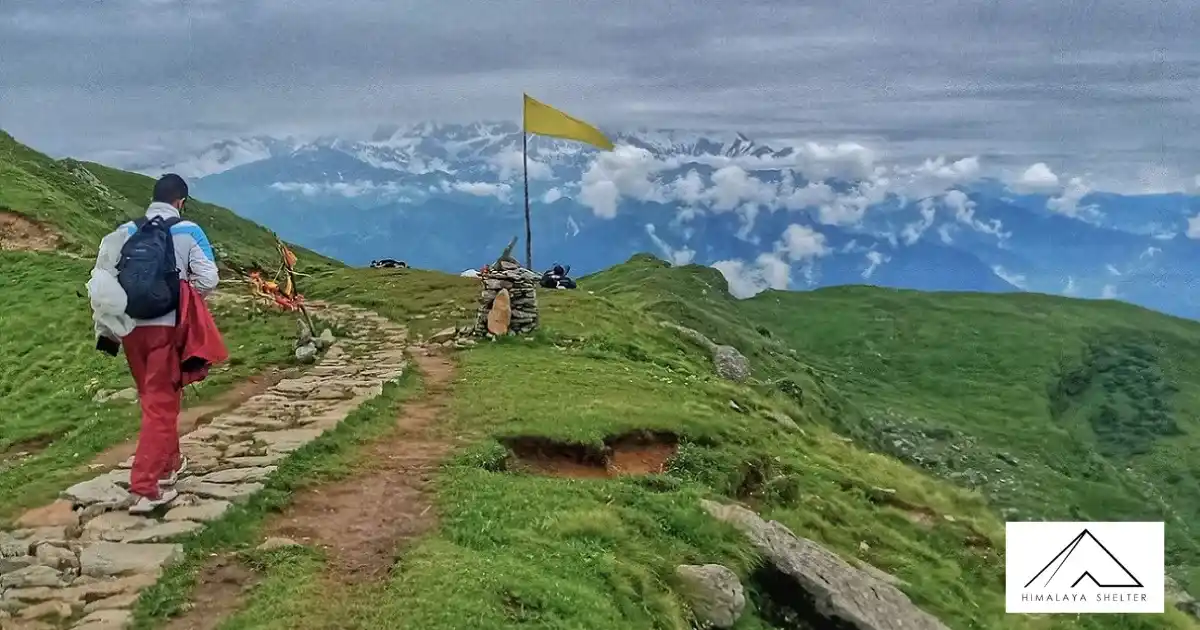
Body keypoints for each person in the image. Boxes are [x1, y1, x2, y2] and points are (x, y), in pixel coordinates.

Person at [94, 174, 220, 513]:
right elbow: (209, 278)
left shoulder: (127, 231)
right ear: (180, 201)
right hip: (167, 327)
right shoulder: (190, 231)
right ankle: (146, 488)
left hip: (132, 329)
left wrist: (106, 333)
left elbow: (103, 282)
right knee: (162, 404)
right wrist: (185, 298)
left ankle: (168, 466)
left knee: (156, 399)